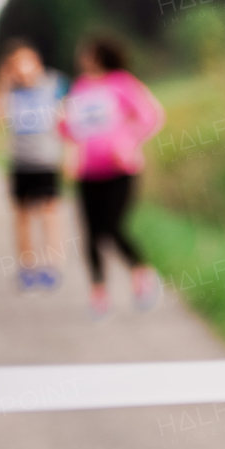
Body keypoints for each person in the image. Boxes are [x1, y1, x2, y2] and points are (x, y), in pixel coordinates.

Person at [59, 35, 166, 317]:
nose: (80, 58)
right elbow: (71, 129)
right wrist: (62, 130)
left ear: (98, 55)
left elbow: (152, 115)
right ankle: (98, 293)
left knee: (112, 226)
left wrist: (128, 142)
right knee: (90, 234)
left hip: (120, 170)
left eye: (85, 53)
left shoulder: (122, 83)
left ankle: (141, 272)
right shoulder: (79, 88)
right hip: (87, 172)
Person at [0, 39, 68, 291]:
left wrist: (70, 153)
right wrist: (2, 83)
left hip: (47, 159)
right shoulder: (10, 90)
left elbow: (69, 116)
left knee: (49, 214)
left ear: (36, 60)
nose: (22, 68)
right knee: (22, 217)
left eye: (25, 60)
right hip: (20, 161)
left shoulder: (55, 83)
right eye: (15, 63)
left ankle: (52, 265)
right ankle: (27, 267)